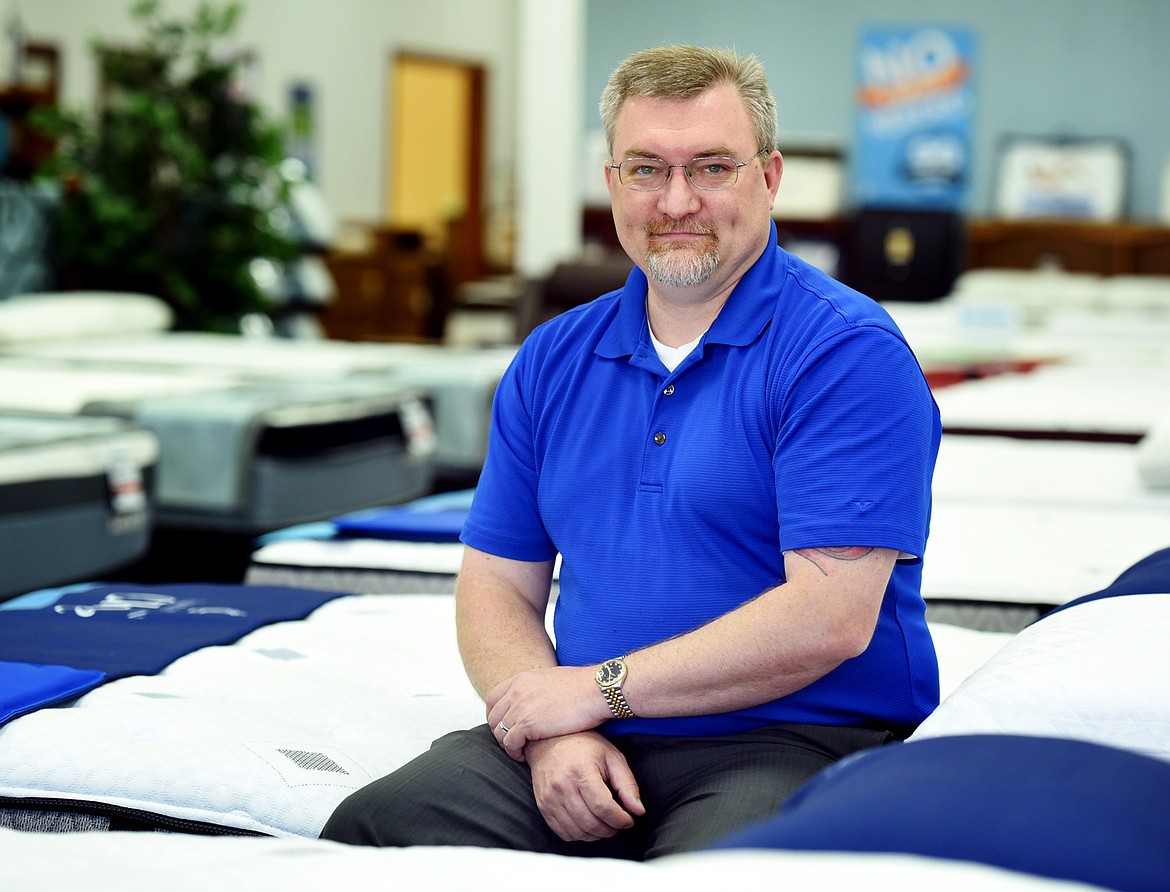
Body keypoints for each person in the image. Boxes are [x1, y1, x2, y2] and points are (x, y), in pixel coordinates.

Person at [321, 44, 941, 860]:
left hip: (791, 738)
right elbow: (498, 583)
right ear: (612, 184)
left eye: (712, 167)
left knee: (723, 877)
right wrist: (549, 733)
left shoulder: (845, 352)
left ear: (771, 177)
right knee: (368, 835)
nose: (676, 200)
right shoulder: (551, 358)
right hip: (584, 735)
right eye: (646, 169)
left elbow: (827, 619)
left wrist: (594, 694)